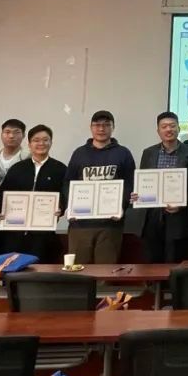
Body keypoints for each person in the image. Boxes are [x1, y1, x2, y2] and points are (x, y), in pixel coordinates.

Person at [62, 110, 135, 264]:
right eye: (97, 125)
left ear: (113, 127)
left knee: (105, 270)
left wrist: (121, 207)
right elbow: (68, 182)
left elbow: (130, 184)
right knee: (78, 270)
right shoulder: (79, 153)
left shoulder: (123, 153)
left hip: (110, 224)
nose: (101, 129)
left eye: (106, 125)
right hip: (80, 224)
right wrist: (70, 207)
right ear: (91, 127)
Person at [129, 111, 188, 263]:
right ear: (158, 130)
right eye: (164, 126)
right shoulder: (148, 153)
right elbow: (143, 180)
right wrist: (138, 194)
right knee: (151, 261)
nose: (168, 129)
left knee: (174, 261)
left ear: (179, 128)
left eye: (172, 126)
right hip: (152, 216)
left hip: (179, 217)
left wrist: (182, 203)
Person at [0, 124, 67, 264]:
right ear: (29, 144)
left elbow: (65, 195)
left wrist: (61, 207)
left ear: (51, 143)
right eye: (36, 140)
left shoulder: (60, 169)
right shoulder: (17, 168)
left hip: (44, 234)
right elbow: (3, 195)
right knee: (14, 271)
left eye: (45, 140)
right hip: (15, 233)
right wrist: (0, 210)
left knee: (41, 270)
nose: (41, 143)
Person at [0, 119, 28, 183]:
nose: (11, 136)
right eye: (7, 132)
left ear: (23, 135)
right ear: (1, 134)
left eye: (16, 132)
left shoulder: (29, 157)